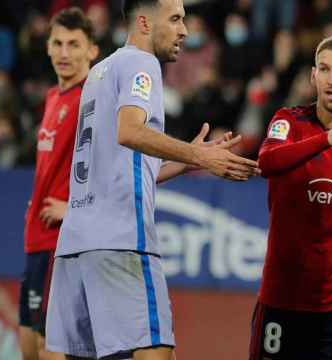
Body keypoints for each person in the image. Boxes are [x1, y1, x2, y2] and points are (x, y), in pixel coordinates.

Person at [44, 1, 259, 359]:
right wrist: (201, 156)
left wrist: (185, 161)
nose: (185, 31)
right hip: (121, 239)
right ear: (144, 22)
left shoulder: (100, 72)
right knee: (155, 353)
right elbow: (130, 131)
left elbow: (119, 165)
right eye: (175, 19)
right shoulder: (141, 64)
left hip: (76, 244)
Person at [249, 35, 332, 360]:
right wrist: (329, 138)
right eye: (325, 69)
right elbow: (267, 161)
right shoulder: (288, 121)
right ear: (313, 77)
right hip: (283, 299)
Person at [19, 7, 98, 360]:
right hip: (36, 234)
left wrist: (74, 207)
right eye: (58, 43)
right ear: (48, 47)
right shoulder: (54, 96)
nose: (65, 53)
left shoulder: (90, 100)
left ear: (92, 51)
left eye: (74, 44)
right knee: (28, 345)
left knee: (50, 348)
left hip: (60, 241)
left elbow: (109, 164)